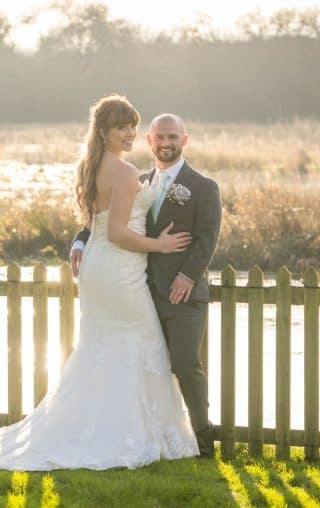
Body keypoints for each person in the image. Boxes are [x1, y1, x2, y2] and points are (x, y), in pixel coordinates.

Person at [0, 94, 200, 470]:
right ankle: (129, 434)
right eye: (120, 127)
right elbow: (115, 232)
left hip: (101, 269)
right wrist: (159, 244)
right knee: (140, 342)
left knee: (104, 346)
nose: (129, 134)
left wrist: (83, 241)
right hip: (118, 269)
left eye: (132, 126)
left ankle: (105, 427)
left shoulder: (92, 165)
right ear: (105, 131)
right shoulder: (125, 172)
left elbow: (95, 227)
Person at [71, 111, 222, 457]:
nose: (166, 143)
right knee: (138, 363)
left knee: (184, 364)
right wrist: (80, 241)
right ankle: (137, 432)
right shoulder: (136, 178)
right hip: (139, 289)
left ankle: (202, 438)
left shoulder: (203, 187)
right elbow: (106, 218)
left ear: (184, 141)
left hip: (182, 294)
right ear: (150, 141)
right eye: (160, 137)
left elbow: (206, 239)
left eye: (173, 137)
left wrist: (187, 276)